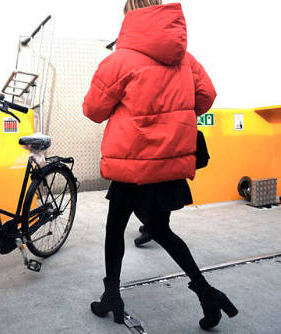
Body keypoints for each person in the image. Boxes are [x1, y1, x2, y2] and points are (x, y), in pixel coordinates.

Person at [83, 0, 238, 330]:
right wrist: (173, 116)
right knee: (161, 230)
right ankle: (207, 293)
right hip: (167, 167)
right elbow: (206, 96)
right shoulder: (186, 59)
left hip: (133, 165)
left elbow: (93, 110)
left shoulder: (120, 60)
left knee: (114, 230)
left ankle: (112, 296)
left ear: (131, 15)